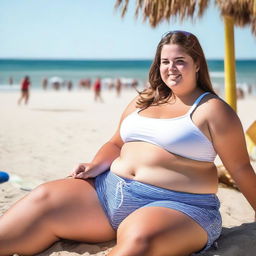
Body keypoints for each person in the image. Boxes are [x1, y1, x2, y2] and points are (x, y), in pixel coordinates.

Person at [1, 30, 256, 256]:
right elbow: (114, 143)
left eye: (180, 61)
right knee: (41, 200)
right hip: (108, 192)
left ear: (197, 64)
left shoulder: (213, 110)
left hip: (178, 205)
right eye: (165, 62)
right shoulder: (144, 100)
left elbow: (241, 169)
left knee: (138, 242)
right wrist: (95, 165)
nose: (171, 68)